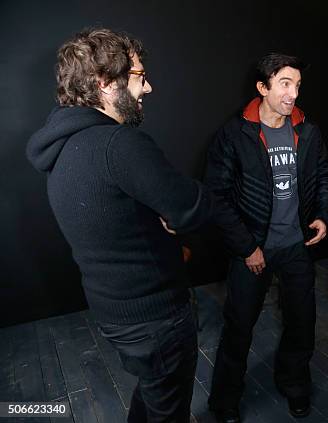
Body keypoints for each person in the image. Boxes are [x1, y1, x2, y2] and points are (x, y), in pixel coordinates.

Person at [26, 28, 214, 422]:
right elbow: (193, 207)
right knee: (168, 409)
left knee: (153, 393)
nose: (148, 87)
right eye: (140, 76)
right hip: (156, 317)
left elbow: (114, 216)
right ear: (106, 83)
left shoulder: (62, 146)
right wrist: (172, 219)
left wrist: (161, 219)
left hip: (114, 313)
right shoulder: (120, 145)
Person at [205, 53, 328, 423]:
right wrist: (247, 247)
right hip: (252, 250)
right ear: (263, 87)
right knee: (239, 328)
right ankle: (225, 400)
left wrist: (323, 215)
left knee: (301, 323)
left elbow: (325, 175)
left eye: (297, 85)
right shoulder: (234, 134)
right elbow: (217, 196)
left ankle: (295, 386)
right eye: (285, 84)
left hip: (296, 247)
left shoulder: (307, 130)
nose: (293, 93)